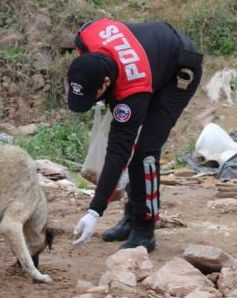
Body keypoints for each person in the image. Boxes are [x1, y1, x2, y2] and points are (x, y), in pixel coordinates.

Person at [68, 17, 203, 252]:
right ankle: (132, 216)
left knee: (144, 151)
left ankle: (144, 228)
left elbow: (119, 151)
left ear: (106, 82)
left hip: (179, 70)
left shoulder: (131, 88)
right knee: (135, 146)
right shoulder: (85, 37)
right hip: (152, 52)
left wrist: (94, 211)